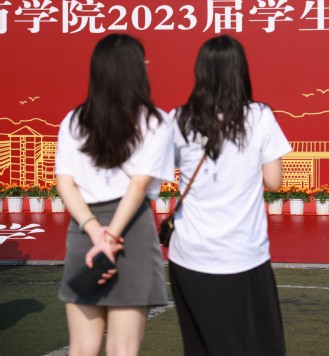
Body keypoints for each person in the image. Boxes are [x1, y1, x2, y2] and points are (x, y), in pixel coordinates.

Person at [168, 35, 290, 355]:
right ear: (240, 71)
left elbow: (154, 175)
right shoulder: (259, 116)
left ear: (201, 72)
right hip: (243, 254)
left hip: (189, 255)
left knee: (200, 347)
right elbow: (274, 181)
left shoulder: (179, 118)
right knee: (257, 346)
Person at [56, 34, 175, 355]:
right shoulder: (155, 121)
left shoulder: (74, 120)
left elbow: (65, 183)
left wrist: (96, 233)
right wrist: (110, 239)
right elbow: (138, 186)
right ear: (136, 69)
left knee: (82, 347)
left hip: (84, 230)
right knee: (123, 349)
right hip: (131, 231)